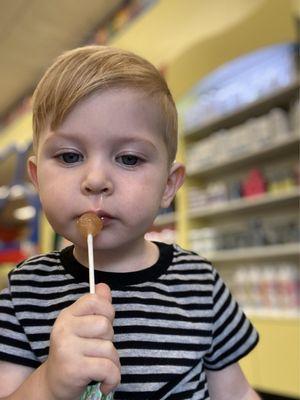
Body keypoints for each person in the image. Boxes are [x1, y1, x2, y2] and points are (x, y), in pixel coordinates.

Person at [0, 45, 260, 400]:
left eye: (128, 158)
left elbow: (238, 394)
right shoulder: (24, 293)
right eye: (70, 156)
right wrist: (49, 383)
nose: (95, 180)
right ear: (36, 178)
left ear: (168, 186)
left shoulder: (200, 283)